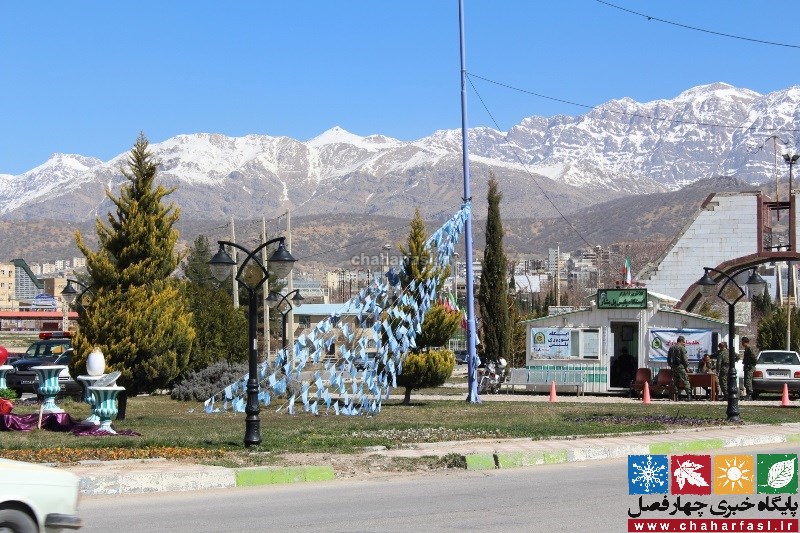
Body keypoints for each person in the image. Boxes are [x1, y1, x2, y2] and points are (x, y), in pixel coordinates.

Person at [668, 336, 692, 400]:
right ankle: (689, 396)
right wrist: (686, 367)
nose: (684, 343)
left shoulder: (671, 348)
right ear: (681, 341)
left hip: (674, 367)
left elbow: (668, 358)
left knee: (675, 382)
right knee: (685, 381)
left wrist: (670, 365)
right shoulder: (682, 348)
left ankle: (676, 397)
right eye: (684, 342)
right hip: (681, 367)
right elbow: (684, 359)